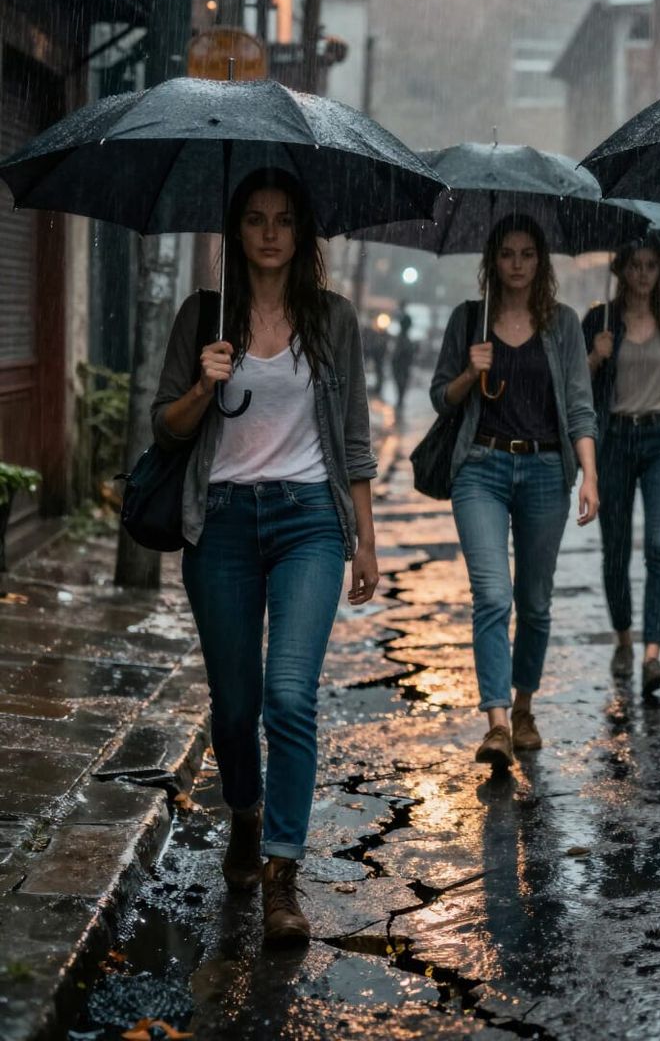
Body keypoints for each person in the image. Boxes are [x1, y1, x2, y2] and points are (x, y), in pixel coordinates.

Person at [151, 167, 379, 947]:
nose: (271, 232)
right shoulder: (202, 317)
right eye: (255, 219)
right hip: (218, 524)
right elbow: (166, 429)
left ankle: (283, 873)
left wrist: (364, 539)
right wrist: (203, 385)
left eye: (284, 219)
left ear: (301, 232)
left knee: (289, 695)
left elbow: (352, 435)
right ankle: (243, 813)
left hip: (308, 520)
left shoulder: (332, 319)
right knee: (236, 706)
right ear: (237, 231)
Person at [432, 214, 599, 771]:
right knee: (492, 595)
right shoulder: (468, 320)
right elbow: (441, 398)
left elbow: (579, 404)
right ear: (492, 261)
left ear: (541, 262)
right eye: (507, 254)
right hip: (479, 466)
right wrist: (467, 372)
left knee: (534, 602)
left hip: (546, 471)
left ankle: (524, 707)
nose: (518, 264)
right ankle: (498, 722)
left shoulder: (564, 324)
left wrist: (589, 473)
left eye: (528, 254)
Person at [582, 242, 660, 695]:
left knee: (659, 545)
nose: (643, 274)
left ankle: (653, 654)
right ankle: (624, 636)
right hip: (613, 440)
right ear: (620, 269)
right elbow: (575, 388)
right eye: (635, 265)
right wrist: (596, 356)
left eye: (651, 265)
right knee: (615, 550)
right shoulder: (599, 320)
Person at [391, 306, 417, 416]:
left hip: (402, 365)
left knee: (401, 382)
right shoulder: (403, 339)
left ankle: (400, 400)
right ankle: (400, 400)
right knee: (401, 382)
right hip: (401, 365)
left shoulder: (404, 339)